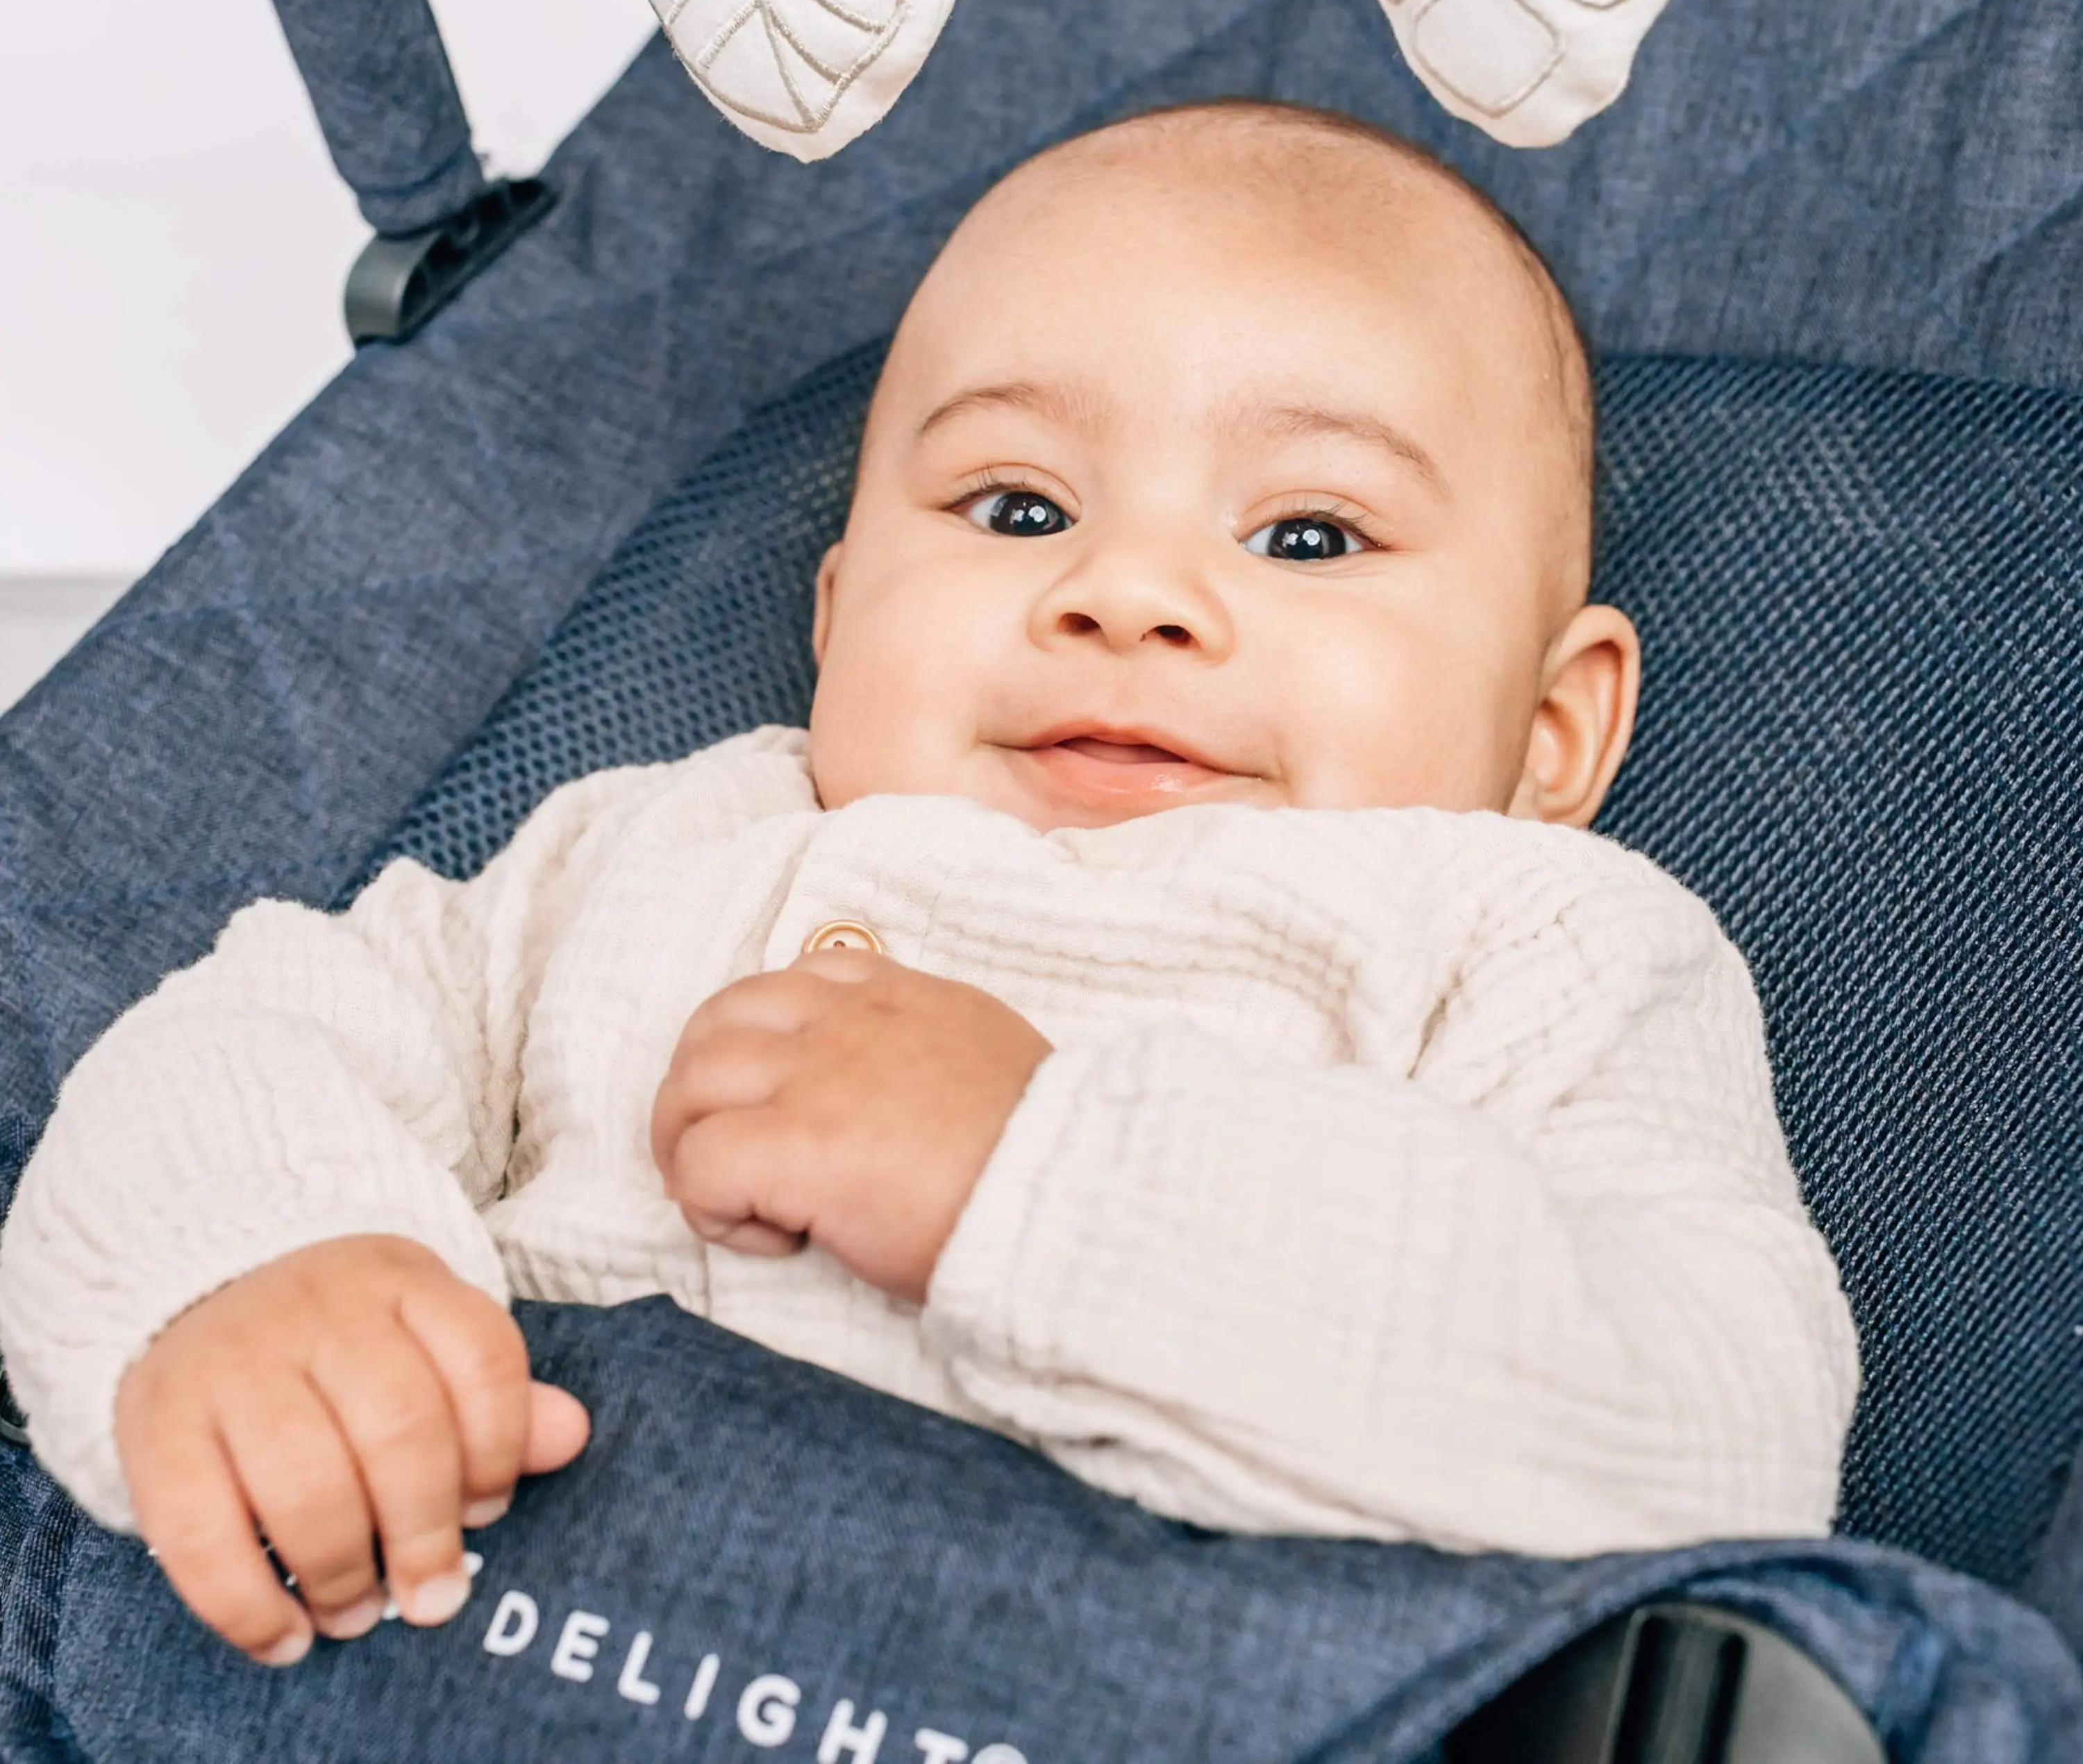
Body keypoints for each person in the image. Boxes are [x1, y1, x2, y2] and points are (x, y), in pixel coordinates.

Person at [0, 101, 1859, 1671]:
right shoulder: (646, 845)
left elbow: (1715, 1421)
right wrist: (264, 1269)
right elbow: (267, 1033)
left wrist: (1042, 1180)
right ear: (837, 618)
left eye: (1307, 534)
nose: (1126, 595)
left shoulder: (1527, 939)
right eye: (1018, 510)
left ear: (1552, 731)